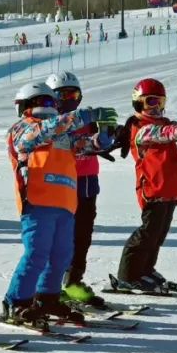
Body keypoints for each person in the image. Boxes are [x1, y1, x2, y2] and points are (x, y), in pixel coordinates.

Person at [1, 82, 116, 325]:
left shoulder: (60, 134)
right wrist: (84, 115)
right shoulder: (23, 128)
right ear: (25, 106)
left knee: (62, 255)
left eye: (50, 102)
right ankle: (16, 301)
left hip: (64, 200)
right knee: (37, 253)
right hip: (37, 198)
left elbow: (79, 147)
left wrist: (99, 141)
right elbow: (37, 135)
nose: (47, 107)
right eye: (41, 102)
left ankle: (47, 297)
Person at [113, 79, 177, 293]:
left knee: (158, 234)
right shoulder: (141, 129)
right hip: (153, 189)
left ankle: (145, 269)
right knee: (148, 232)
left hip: (169, 189)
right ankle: (127, 275)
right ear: (138, 103)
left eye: (160, 101)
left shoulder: (160, 123)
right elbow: (165, 134)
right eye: (151, 101)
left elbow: (175, 131)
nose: (156, 106)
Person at [44, 72, 108, 309]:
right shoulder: (50, 123)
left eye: (74, 94)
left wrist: (111, 134)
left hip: (88, 181)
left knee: (83, 235)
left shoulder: (87, 120)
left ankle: (73, 280)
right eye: (63, 95)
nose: (69, 99)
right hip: (61, 183)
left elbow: (102, 137)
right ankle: (50, 285)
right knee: (60, 237)